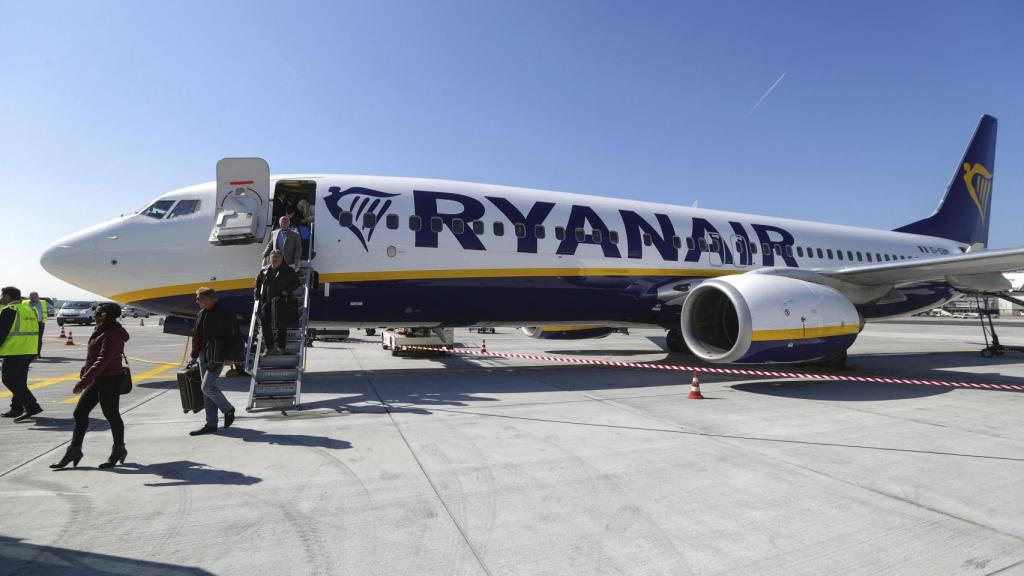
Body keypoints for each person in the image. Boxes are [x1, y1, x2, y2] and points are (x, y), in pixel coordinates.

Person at [50, 303, 129, 469]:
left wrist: (84, 381)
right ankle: (74, 450)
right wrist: (86, 374)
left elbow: (103, 359)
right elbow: (93, 357)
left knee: (111, 414)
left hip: (110, 379)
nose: (94, 315)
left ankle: (118, 449)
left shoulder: (112, 333)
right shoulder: (101, 329)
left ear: (107, 315)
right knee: (80, 413)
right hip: (98, 378)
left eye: (98, 312)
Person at [189, 287, 236, 436]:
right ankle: (211, 424)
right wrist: (194, 355)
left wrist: (230, 357)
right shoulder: (201, 314)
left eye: (199, 298)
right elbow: (197, 336)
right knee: (207, 392)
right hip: (204, 355)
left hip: (217, 355)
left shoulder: (224, 314)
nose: (197, 301)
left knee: (207, 387)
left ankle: (228, 409)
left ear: (210, 299)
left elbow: (233, 337)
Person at [0, 287, 42, 422]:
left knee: (9, 379)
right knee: (19, 381)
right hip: (28, 350)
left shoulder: (10, 310)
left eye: (2, 295)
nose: (1, 298)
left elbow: (2, 333)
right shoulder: (30, 309)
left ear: (7, 296)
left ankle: (32, 406)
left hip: (14, 350)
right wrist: (36, 351)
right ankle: (16, 408)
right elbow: (38, 331)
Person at [255, 250, 300, 355]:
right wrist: (257, 294)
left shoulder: (288, 270)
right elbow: (257, 281)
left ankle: (281, 347)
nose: (274, 259)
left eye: (277, 257)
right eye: (273, 257)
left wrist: (287, 291)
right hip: (267, 301)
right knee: (265, 324)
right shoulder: (264, 270)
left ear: (281, 259)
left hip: (281, 301)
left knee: (281, 325)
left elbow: (297, 283)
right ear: (270, 258)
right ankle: (269, 347)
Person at [26, 292, 47, 358]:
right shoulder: (25, 303)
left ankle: (37, 353)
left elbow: (48, 310)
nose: (32, 298)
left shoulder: (42, 303)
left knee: (39, 339)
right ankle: (29, 353)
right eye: (31, 297)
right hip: (29, 323)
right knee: (29, 338)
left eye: (34, 297)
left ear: (38, 297)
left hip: (40, 323)